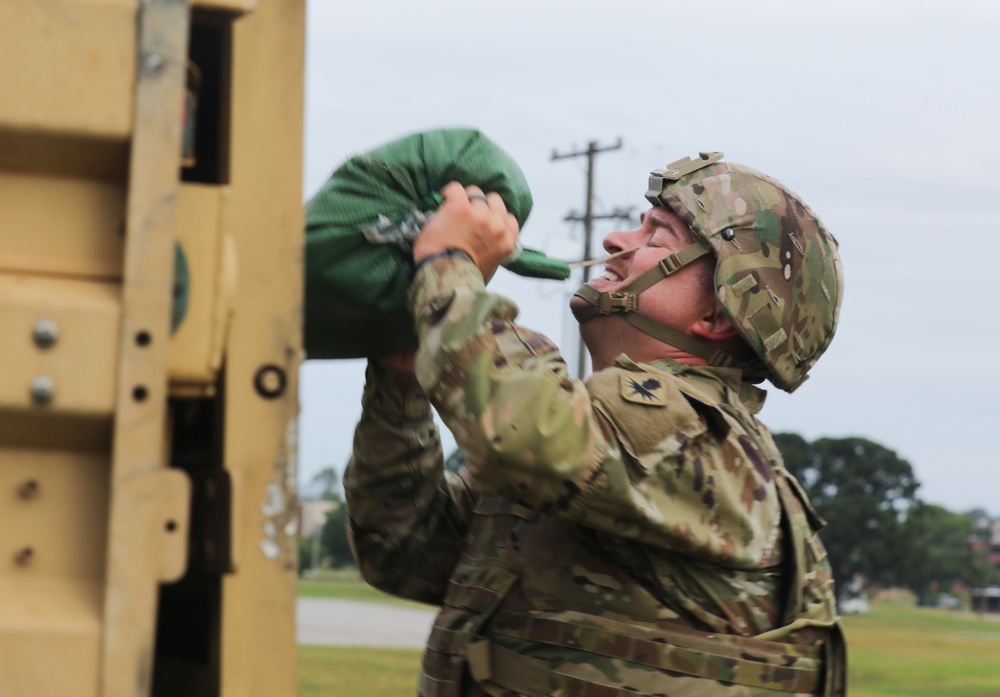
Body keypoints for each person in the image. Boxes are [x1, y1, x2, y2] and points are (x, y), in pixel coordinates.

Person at [344, 152, 846, 696]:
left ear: (720, 314)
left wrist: (448, 264)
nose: (615, 240)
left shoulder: (694, 436)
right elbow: (405, 552)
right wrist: (400, 379)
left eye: (658, 236)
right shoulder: (604, 440)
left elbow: (517, 429)